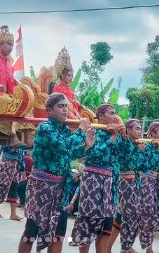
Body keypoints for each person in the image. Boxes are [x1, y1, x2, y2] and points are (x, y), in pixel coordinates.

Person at [18, 93, 93, 253]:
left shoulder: (65, 130)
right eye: (60, 106)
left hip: (61, 189)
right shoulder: (45, 128)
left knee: (58, 233)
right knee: (31, 231)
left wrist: (87, 146)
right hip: (42, 188)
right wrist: (80, 130)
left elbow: (70, 152)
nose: (65, 110)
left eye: (66, 106)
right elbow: (63, 146)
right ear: (49, 110)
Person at [70, 103, 125, 253]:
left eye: (115, 113)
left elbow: (123, 156)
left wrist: (123, 137)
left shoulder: (115, 134)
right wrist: (113, 137)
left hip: (110, 183)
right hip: (92, 181)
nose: (114, 116)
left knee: (107, 222)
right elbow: (94, 154)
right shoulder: (93, 131)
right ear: (101, 116)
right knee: (88, 220)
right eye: (111, 113)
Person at [0, 25, 33, 147]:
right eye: (8, 44)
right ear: (0, 43)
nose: (10, 47)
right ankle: (12, 136)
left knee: (24, 104)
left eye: (11, 45)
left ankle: (28, 138)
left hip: (5, 94)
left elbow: (10, 83)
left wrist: (19, 94)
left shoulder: (9, 64)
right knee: (10, 104)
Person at [109, 118, 150, 253]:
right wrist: (139, 151)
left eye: (140, 129)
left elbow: (145, 167)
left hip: (134, 183)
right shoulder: (124, 142)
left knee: (129, 217)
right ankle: (124, 248)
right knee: (129, 216)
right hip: (125, 183)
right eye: (137, 128)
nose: (140, 131)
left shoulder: (136, 144)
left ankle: (123, 247)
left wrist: (145, 151)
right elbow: (133, 164)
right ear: (128, 130)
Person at [134, 122, 159, 253]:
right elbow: (143, 164)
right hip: (143, 183)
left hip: (153, 184)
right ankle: (133, 246)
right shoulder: (145, 145)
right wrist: (150, 148)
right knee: (144, 214)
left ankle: (148, 247)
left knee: (152, 216)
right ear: (153, 133)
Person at [0, 145, 25, 221]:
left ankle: (13, 214)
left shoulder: (21, 137)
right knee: (0, 186)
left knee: (14, 187)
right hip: (5, 163)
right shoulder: (7, 137)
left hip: (16, 165)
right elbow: (0, 146)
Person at [51, 47, 80, 119]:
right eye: (69, 75)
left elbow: (74, 105)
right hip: (63, 113)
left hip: (73, 112)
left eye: (72, 76)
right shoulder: (57, 89)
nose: (71, 78)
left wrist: (77, 114)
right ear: (62, 75)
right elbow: (57, 105)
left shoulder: (70, 89)